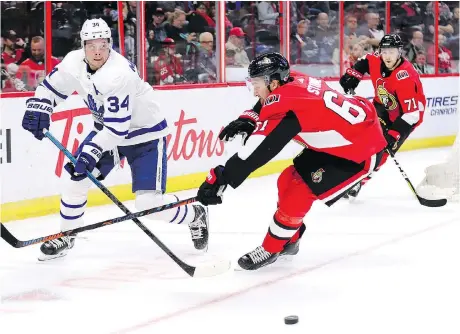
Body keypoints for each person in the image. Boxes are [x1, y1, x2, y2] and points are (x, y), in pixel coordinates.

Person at [21, 19, 209, 261]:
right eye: (91, 45)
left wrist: (90, 153)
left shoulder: (118, 74)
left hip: (144, 136)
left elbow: (117, 128)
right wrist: (40, 107)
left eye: (102, 44)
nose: (97, 51)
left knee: (148, 205)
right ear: (83, 45)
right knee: (76, 181)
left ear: (110, 44)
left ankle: (195, 214)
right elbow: (50, 88)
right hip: (106, 133)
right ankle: (67, 235)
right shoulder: (73, 62)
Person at [196, 52, 387, 270]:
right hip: (347, 138)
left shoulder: (289, 109)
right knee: (287, 180)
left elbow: (258, 152)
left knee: (299, 191)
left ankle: (272, 247)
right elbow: (268, 103)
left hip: (358, 153)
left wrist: (221, 178)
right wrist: (247, 119)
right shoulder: (292, 79)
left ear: (273, 81)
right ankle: (290, 239)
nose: (254, 89)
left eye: (257, 83)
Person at [339, 34, 426, 199]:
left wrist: (394, 134)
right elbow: (364, 60)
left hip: (405, 115)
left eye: (392, 52)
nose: (387, 56)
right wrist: (353, 76)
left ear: (400, 52)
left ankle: (360, 182)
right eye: (384, 51)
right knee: (364, 137)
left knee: (383, 150)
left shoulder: (406, 76)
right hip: (382, 106)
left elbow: (412, 114)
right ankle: (351, 174)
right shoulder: (376, 60)